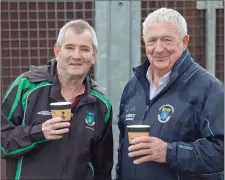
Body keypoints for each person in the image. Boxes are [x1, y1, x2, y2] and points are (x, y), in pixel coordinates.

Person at [116, 8, 224, 180]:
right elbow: (123, 149)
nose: (158, 48)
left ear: (184, 41)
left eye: (167, 39)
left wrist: (168, 152)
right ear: (144, 42)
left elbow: (220, 151)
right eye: (152, 40)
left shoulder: (208, 88)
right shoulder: (133, 87)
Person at [1, 20, 113, 180]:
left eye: (84, 49)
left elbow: (103, 169)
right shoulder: (26, 86)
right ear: (57, 51)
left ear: (93, 56)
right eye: (69, 47)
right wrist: (38, 133)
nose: (76, 55)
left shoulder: (101, 105)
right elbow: (2, 142)